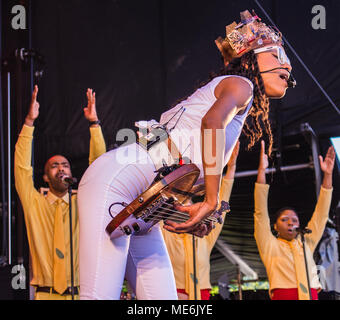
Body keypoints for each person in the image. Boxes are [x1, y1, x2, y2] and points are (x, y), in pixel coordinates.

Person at [77, 10, 294, 300]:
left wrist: (192, 214)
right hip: (116, 183)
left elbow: (174, 166)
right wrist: (211, 200)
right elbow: (211, 123)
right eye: (277, 55)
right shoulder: (243, 85)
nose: (288, 66)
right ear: (251, 57)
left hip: (143, 202)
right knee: (99, 296)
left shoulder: (230, 93)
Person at [14, 86, 106, 300]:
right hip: (46, 295)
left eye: (65, 165)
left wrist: (94, 124)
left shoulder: (81, 202)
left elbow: (99, 168)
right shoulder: (34, 204)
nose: (61, 168)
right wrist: (29, 123)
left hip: (79, 294)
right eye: (54, 166)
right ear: (45, 177)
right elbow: (21, 168)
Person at [254, 140, 335, 300]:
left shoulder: (306, 241)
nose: (291, 222)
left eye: (294, 219)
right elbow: (260, 212)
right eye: (285, 219)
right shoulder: (269, 244)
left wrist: (328, 175)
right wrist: (262, 172)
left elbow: (321, 214)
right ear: (275, 227)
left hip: (311, 294)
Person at [161, 141, 239, 300]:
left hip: (201, 293)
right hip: (172, 291)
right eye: (180, 205)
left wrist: (231, 168)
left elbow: (222, 203)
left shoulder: (206, 233)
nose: (185, 207)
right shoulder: (164, 228)